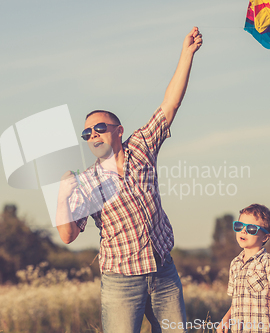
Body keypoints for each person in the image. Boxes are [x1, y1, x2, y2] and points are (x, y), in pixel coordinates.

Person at [55, 27, 203, 333]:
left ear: (118, 130)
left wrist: (186, 54)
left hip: (164, 273)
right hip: (122, 281)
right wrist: (61, 198)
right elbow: (68, 236)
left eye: (99, 127)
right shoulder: (87, 183)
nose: (93, 134)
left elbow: (170, 105)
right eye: (87, 133)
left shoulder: (141, 149)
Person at [217, 204, 270, 333]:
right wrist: (226, 318)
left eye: (251, 229)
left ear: (265, 237)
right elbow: (237, 301)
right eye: (239, 226)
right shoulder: (235, 264)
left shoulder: (269, 263)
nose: (243, 231)